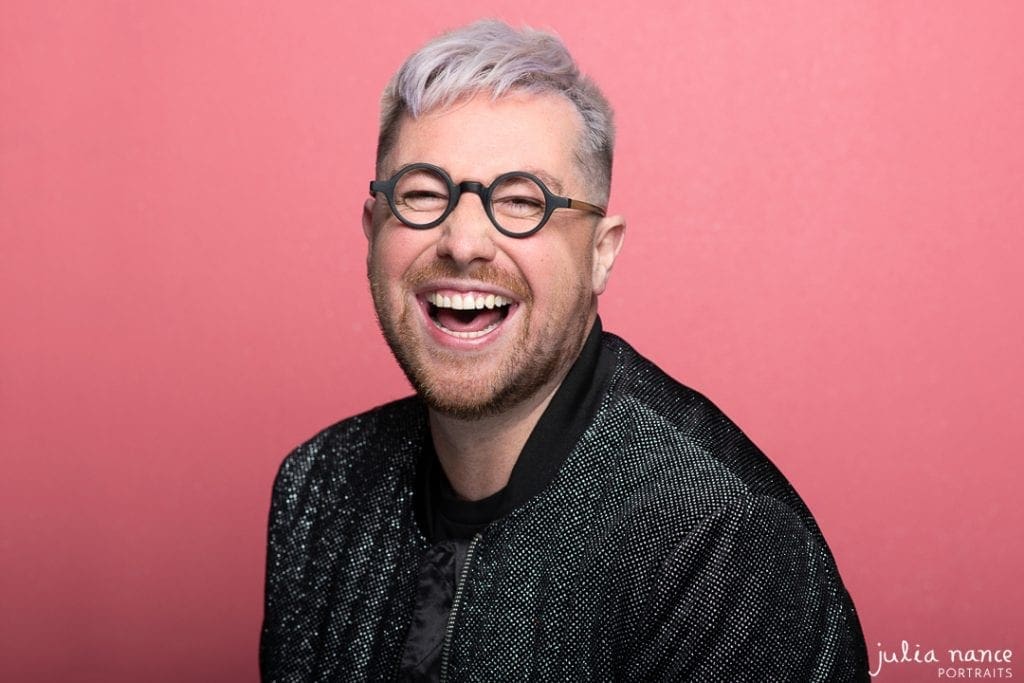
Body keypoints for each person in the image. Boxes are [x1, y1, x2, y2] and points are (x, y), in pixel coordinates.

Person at [260, 19, 869, 682]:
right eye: (424, 195)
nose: (463, 242)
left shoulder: (719, 541)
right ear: (374, 231)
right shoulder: (318, 488)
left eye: (522, 201)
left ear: (602, 251)